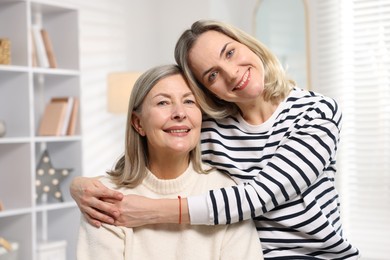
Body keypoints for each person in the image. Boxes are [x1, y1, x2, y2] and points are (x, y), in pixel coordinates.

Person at [71, 20, 360, 259]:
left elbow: (258, 196)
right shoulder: (210, 126)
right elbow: (152, 148)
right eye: (212, 75)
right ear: (208, 92)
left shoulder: (315, 112)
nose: (232, 73)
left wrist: (150, 211)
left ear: (245, 42)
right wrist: (78, 186)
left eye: (230, 53)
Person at [76, 64, 263, 259]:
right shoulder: (104, 199)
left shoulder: (226, 191)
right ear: (138, 123)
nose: (180, 113)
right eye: (163, 103)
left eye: (189, 101)